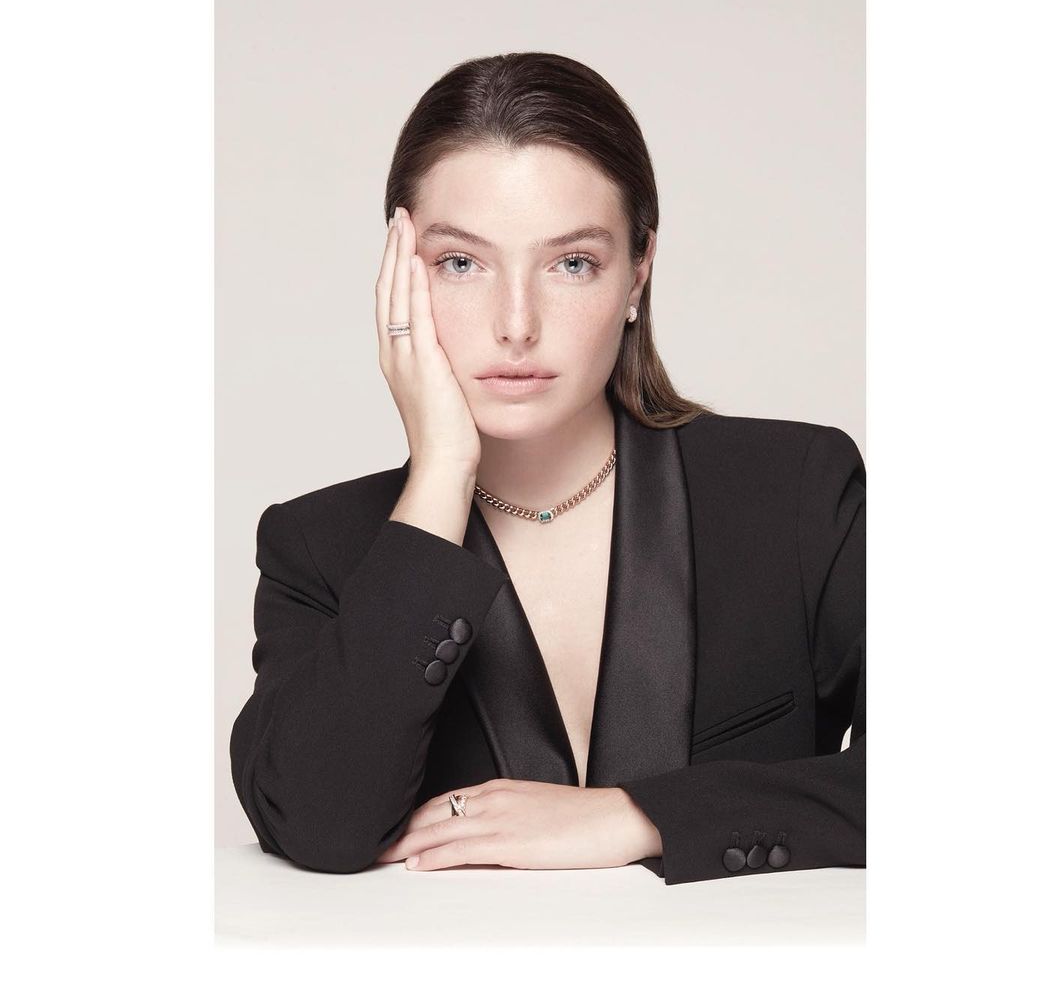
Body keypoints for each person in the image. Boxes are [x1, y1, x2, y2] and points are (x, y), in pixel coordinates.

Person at [229, 52, 865, 885]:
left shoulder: (793, 492)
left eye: (572, 263)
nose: (516, 323)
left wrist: (639, 815)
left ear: (638, 272)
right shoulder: (321, 546)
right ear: (398, 276)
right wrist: (441, 475)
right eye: (461, 263)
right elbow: (315, 819)